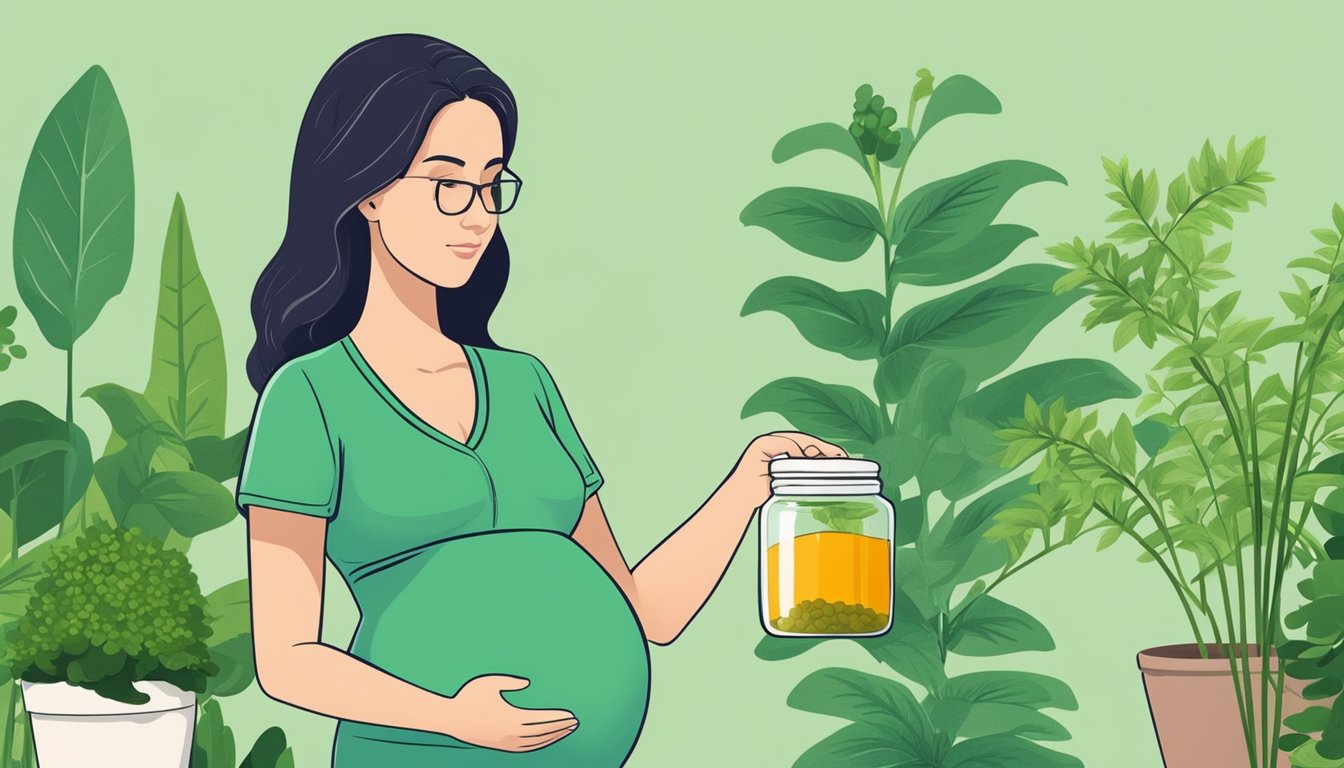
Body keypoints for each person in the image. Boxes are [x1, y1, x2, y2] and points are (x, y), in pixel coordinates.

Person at [235, 33, 847, 767]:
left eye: (492, 183)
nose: (477, 215)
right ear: (367, 189)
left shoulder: (526, 385)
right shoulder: (310, 396)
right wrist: (451, 718)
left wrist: (747, 485)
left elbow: (646, 611)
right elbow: (288, 659)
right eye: (447, 183)